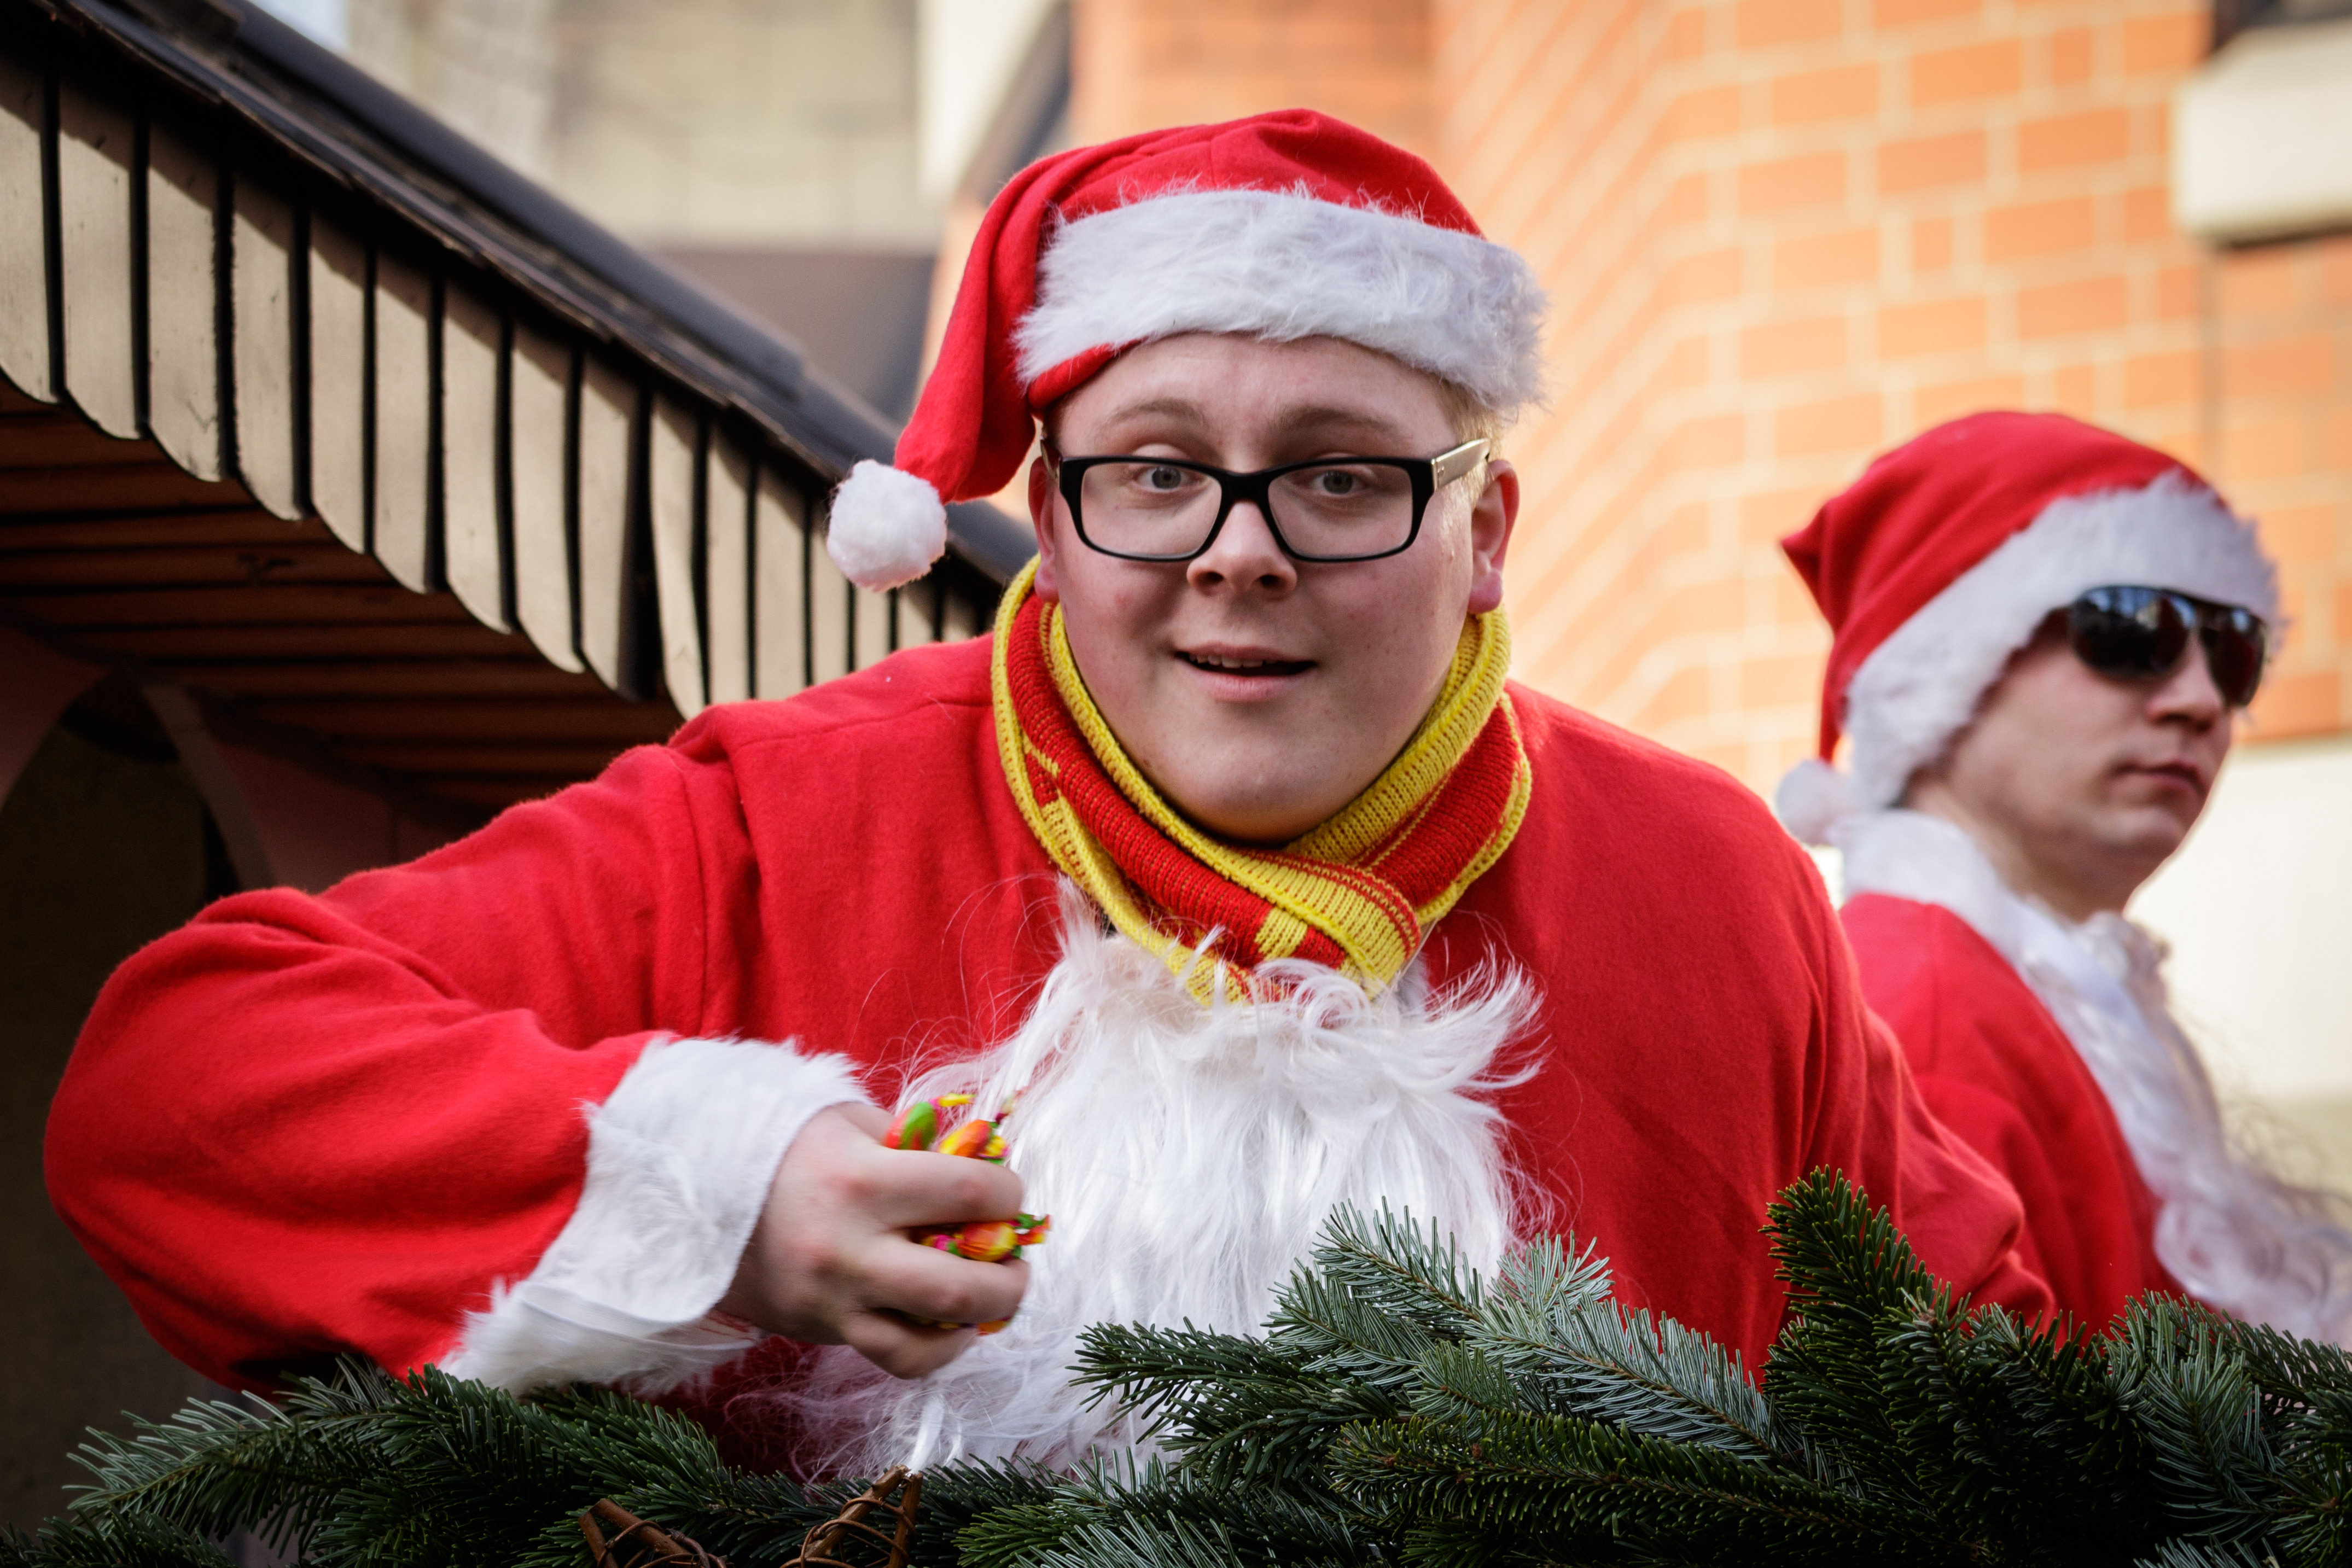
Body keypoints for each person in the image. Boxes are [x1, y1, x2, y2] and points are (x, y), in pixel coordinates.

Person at [45, 112, 2046, 1477]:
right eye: (1155, 470)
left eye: (1340, 474)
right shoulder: (778, 813)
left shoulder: (1710, 885)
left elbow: (1999, 1383)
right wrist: (722, 1190)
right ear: (1056, 519)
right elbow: (182, 1069)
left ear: (1486, 531)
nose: (1238, 552)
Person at [1778, 411, 2352, 1340]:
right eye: (2130, 627)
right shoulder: (1925, 1014)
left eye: (2235, 651)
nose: (2203, 701)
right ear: (1943, 677)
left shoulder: (2030, 988)